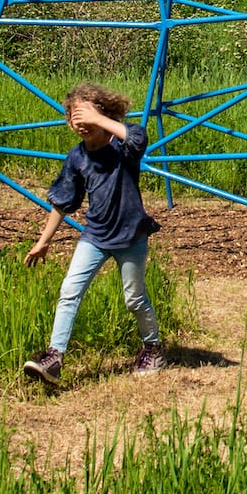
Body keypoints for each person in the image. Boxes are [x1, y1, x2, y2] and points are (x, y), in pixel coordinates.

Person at [21, 83, 167, 385]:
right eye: (74, 117)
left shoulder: (122, 146)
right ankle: (55, 356)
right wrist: (43, 241)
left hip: (130, 236)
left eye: (85, 115)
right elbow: (63, 201)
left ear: (103, 114)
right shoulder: (77, 157)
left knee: (134, 299)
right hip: (96, 236)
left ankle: (152, 347)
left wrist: (97, 117)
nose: (80, 123)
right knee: (69, 291)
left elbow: (138, 139)